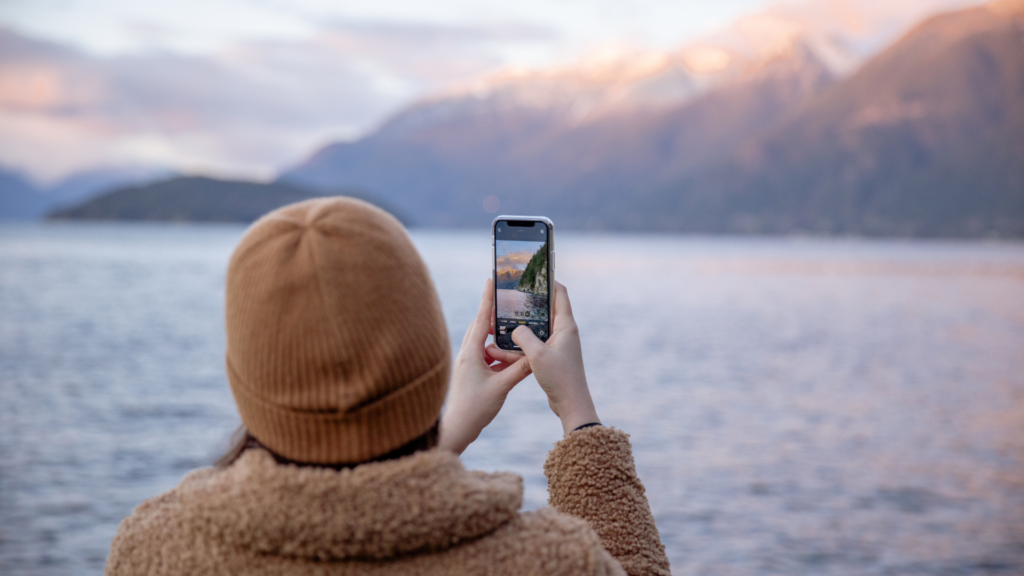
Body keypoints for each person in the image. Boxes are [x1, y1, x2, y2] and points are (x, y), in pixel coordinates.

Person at [105, 198, 671, 576]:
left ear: (247, 382)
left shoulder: (152, 552)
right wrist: (579, 417)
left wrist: (446, 437)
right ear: (429, 365)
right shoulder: (548, 562)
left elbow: (356, 519)